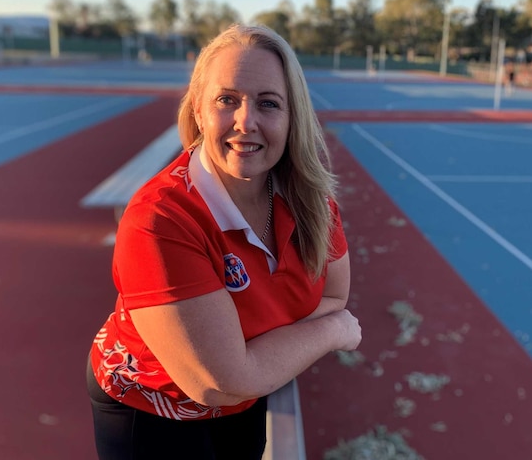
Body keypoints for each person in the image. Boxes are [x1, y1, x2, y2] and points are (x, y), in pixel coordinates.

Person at [86, 24, 362, 459]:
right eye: (226, 100)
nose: (245, 121)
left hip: (245, 399)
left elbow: (333, 293)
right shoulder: (159, 219)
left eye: (268, 103)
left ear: (293, 118)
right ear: (198, 109)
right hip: (152, 404)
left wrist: (251, 359)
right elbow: (216, 380)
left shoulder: (312, 202)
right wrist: (332, 330)